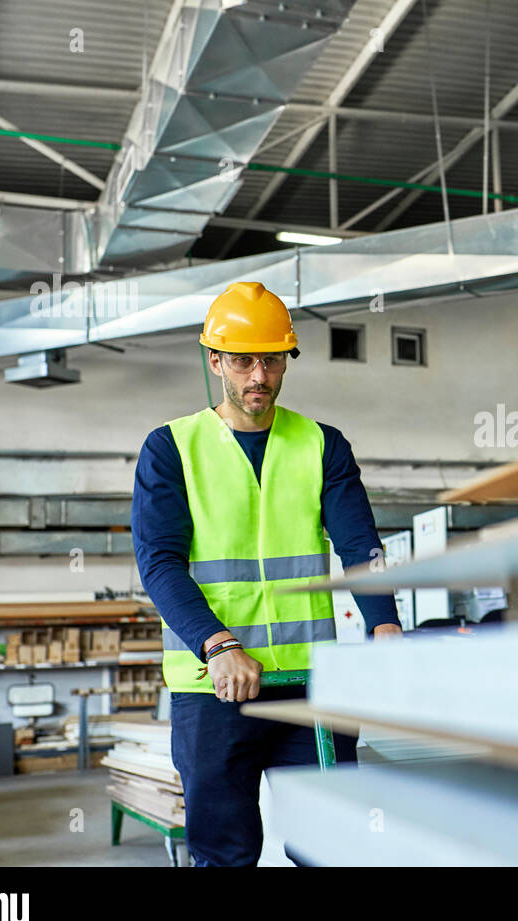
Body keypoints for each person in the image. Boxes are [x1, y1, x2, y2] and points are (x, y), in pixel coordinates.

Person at [131, 281, 402, 866]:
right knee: (226, 854)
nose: (259, 376)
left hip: (308, 689)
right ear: (215, 361)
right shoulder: (171, 448)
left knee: (331, 845)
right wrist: (218, 644)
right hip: (213, 688)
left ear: (286, 360)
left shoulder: (321, 444)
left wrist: (385, 626)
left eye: (272, 360)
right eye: (243, 360)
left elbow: (359, 545)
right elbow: (159, 562)